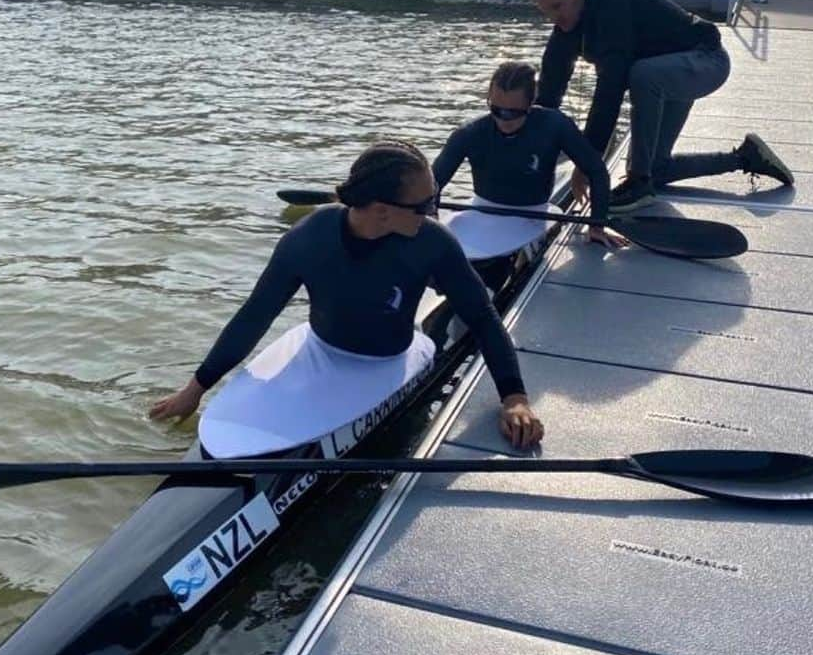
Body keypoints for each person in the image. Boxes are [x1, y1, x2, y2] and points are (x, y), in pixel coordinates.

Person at [150, 141, 544, 449]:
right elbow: (255, 315)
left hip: (387, 363)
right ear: (380, 210)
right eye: (425, 204)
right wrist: (195, 389)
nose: (434, 211)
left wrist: (514, 397)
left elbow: (482, 317)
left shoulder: (432, 243)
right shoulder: (307, 238)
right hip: (317, 350)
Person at [529, 0, 794, 213]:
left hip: (704, 61)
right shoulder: (567, 22)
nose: (555, 18)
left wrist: (587, 162)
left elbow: (610, 88)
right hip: (665, 74)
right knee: (657, 168)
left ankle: (639, 185)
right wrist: (526, 150)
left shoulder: (613, 2)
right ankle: (746, 157)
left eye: (557, 7)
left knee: (640, 75)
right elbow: (549, 93)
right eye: (546, 12)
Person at [432, 61, 623, 250]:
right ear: (489, 98)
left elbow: (597, 171)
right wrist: (430, 215)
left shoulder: (555, 125)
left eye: (513, 113)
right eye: (496, 110)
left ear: (531, 103)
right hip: (482, 209)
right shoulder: (469, 133)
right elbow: (433, 182)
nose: (504, 119)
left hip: (534, 214)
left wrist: (596, 225)